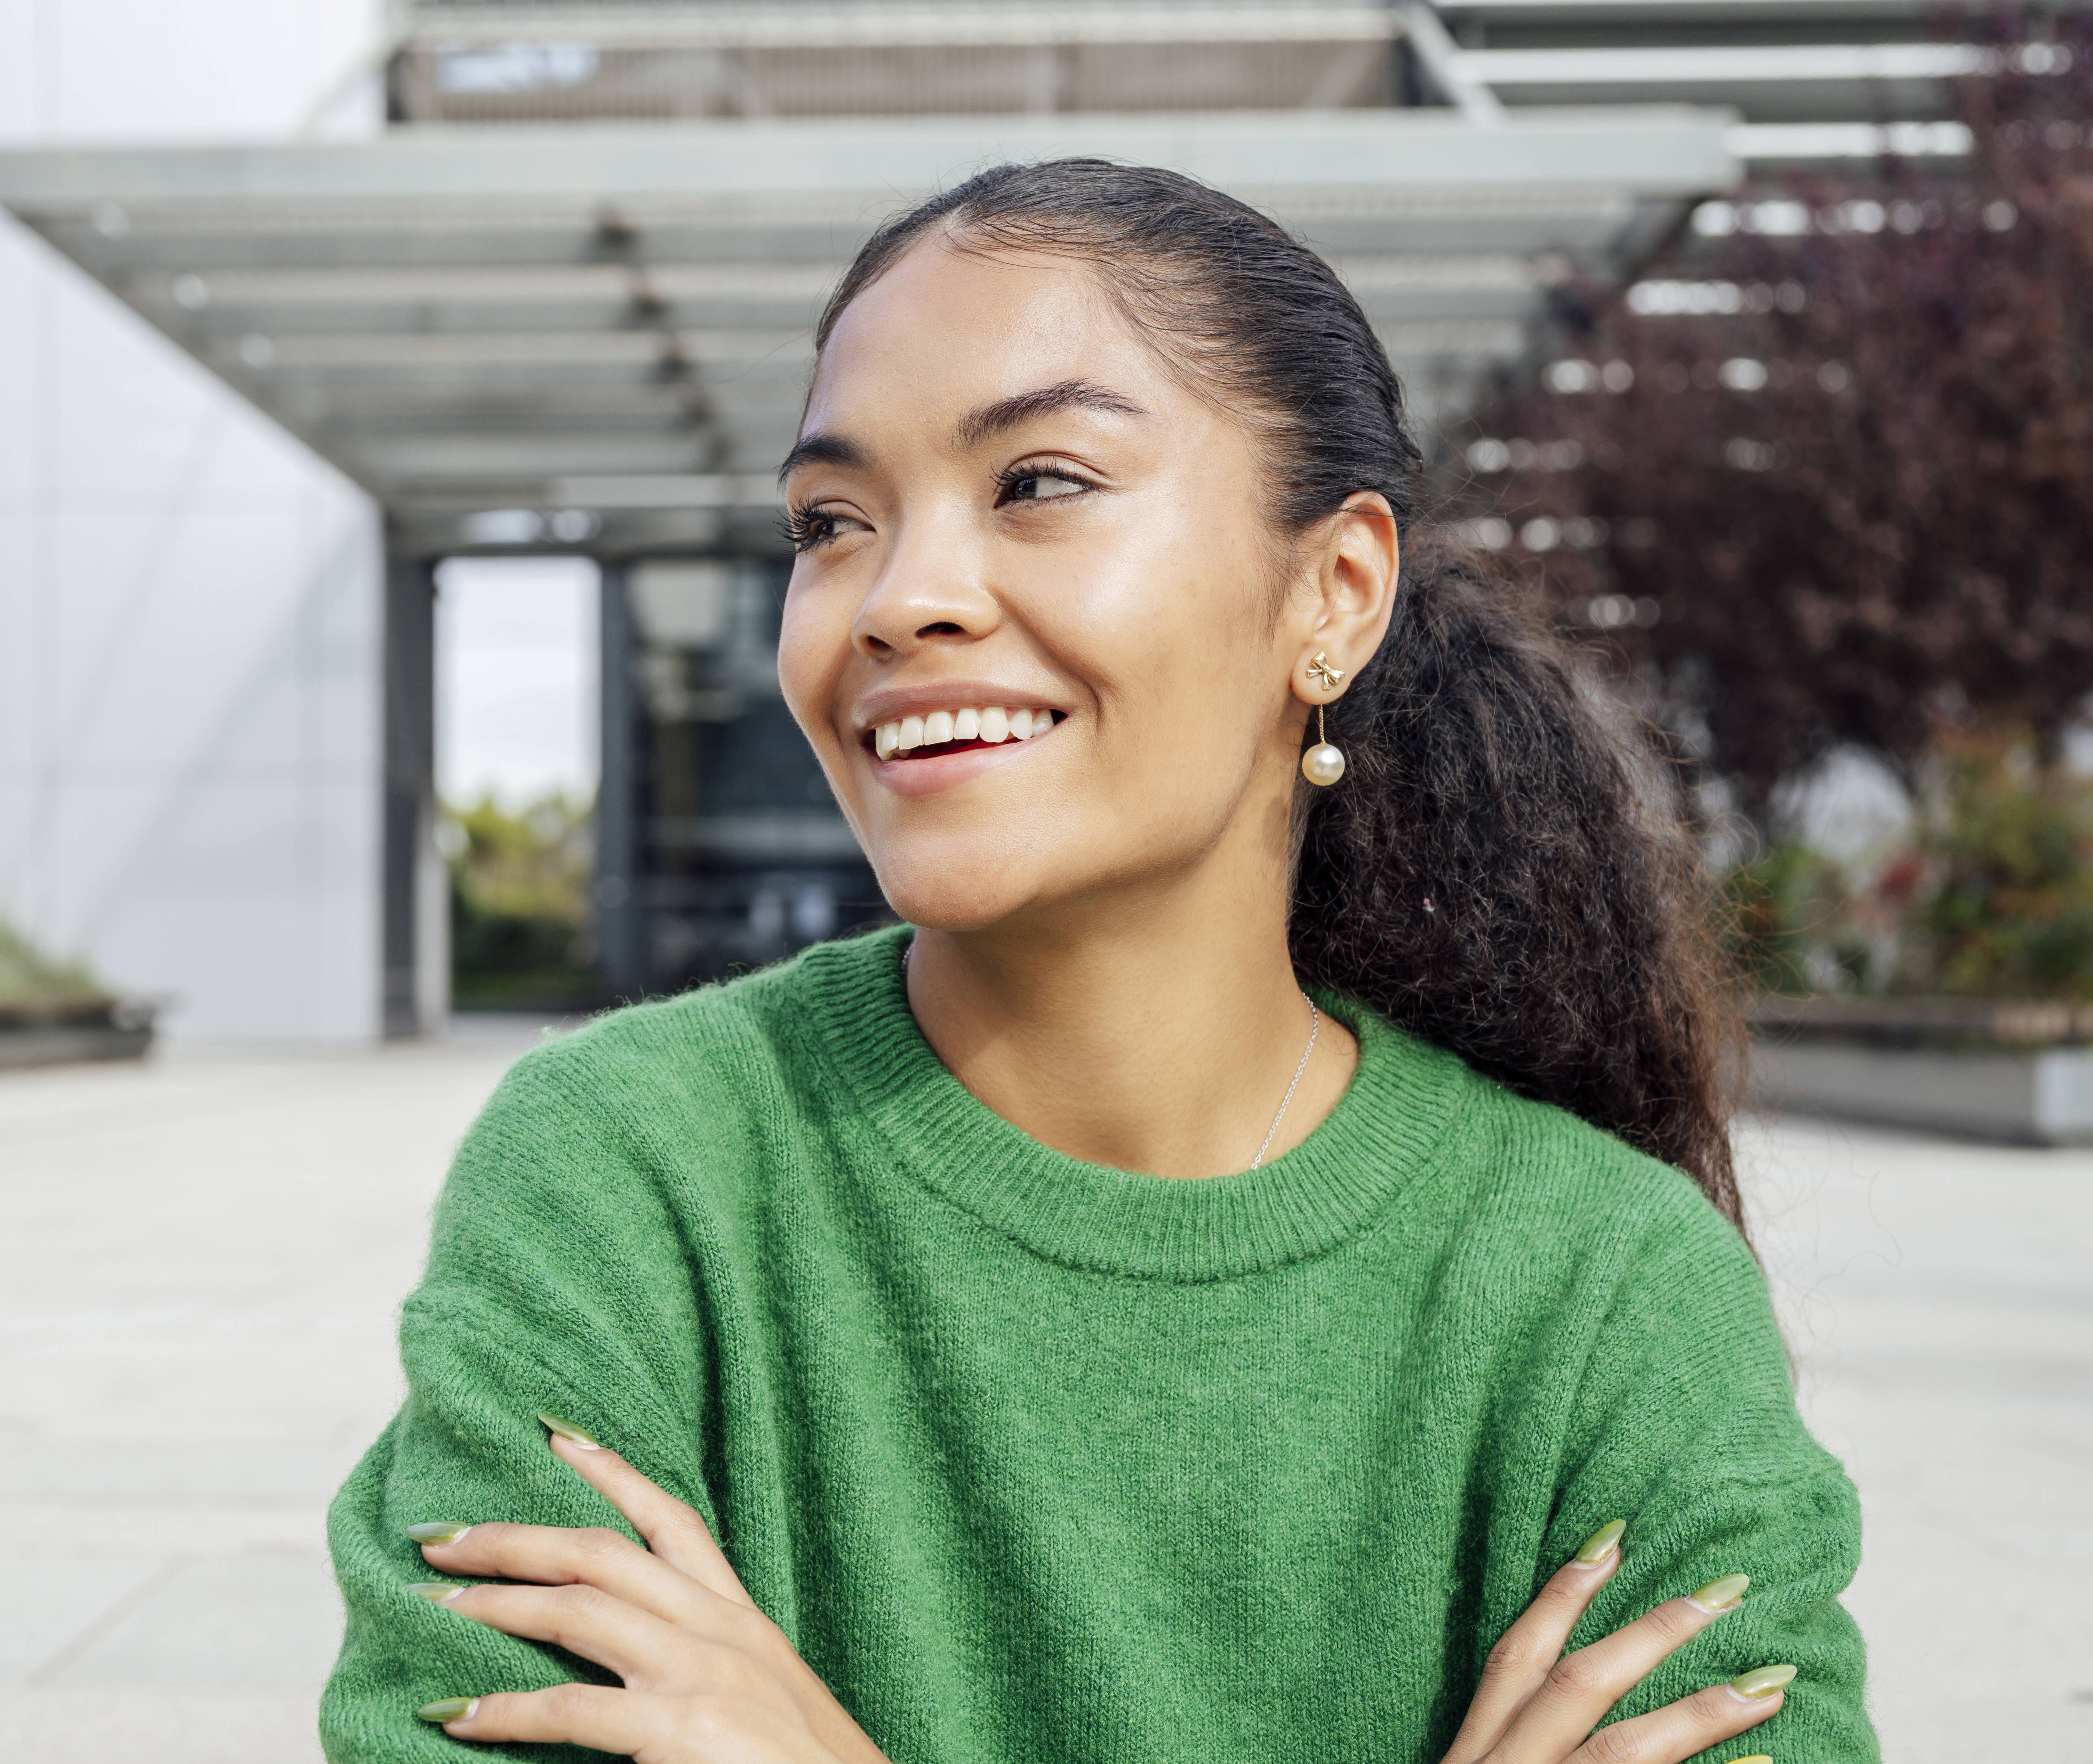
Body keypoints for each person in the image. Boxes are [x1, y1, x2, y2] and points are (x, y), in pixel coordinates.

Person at [317, 159, 1875, 1763]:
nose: (900, 595)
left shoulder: (1602, 1286)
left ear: (1333, 592)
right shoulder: (631, 1176)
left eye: (1041, 481)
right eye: (829, 521)